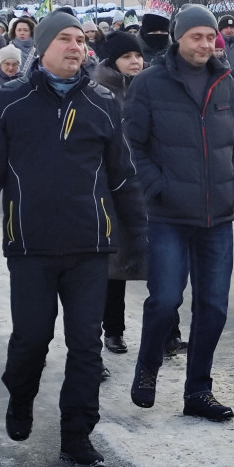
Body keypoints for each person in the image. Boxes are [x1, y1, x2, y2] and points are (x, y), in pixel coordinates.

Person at [0, 10, 144, 467]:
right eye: (65, 38)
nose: (76, 46)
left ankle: (77, 434)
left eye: (80, 39)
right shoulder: (10, 101)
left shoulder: (102, 102)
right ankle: (21, 395)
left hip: (89, 246)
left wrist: (139, 236)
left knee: (86, 345)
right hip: (31, 246)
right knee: (32, 339)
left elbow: (122, 176)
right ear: (42, 47)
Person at [123, 5, 234, 420]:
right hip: (168, 216)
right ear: (178, 38)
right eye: (196, 36)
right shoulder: (149, 84)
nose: (205, 44)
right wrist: (156, 187)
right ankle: (148, 367)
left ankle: (198, 390)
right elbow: (131, 145)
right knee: (165, 300)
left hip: (218, 217)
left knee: (213, 307)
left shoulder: (226, 82)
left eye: (210, 37)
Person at [90, 30, 154, 359]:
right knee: (113, 267)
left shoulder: (153, 88)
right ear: (113, 61)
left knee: (162, 265)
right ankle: (112, 330)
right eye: (127, 56)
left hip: (150, 187)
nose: (135, 61)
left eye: (138, 56)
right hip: (113, 190)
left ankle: (168, 333)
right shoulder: (98, 93)